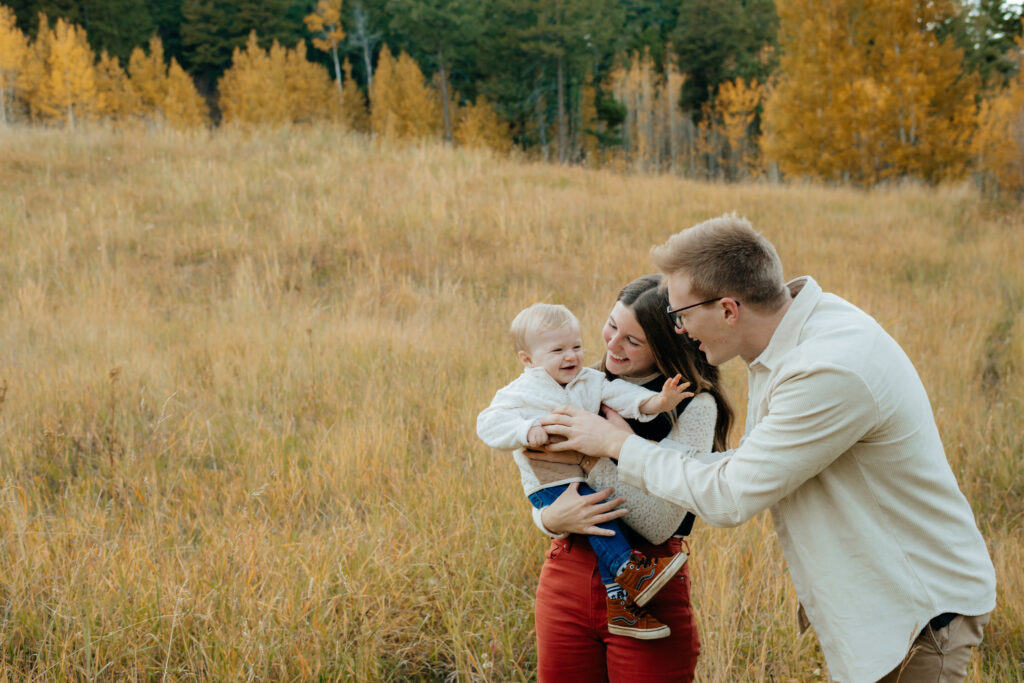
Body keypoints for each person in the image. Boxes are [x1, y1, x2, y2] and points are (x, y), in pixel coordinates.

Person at [540, 215, 997, 683]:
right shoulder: (795, 338)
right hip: (881, 608)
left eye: (680, 316)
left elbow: (731, 496)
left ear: (728, 309)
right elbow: (742, 465)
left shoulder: (826, 370)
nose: (677, 330)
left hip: (915, 616)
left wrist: (617, 445)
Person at [526, 278, 734, 681]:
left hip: (650, 582)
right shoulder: (578, 383)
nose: (612, 345)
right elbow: (540, 474)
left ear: (668, 346)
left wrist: (601, 451)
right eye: (611, 326)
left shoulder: (693, 406)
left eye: (633, 341)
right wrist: (548, 521)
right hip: (567, 572)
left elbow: (660, 523)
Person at [477, 302, 693, 640]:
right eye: (558, 350)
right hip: (548, 483)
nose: (571, 356)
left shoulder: (590, 381)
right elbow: (488, 424)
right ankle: (630, 570)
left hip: (581, 477)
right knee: (600, 515)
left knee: (603, 512)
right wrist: (525, 429)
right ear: (528, 359)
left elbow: (625, 396)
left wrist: (658, 404)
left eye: (576, 346)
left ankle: (621, 604)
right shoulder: (520, 392)